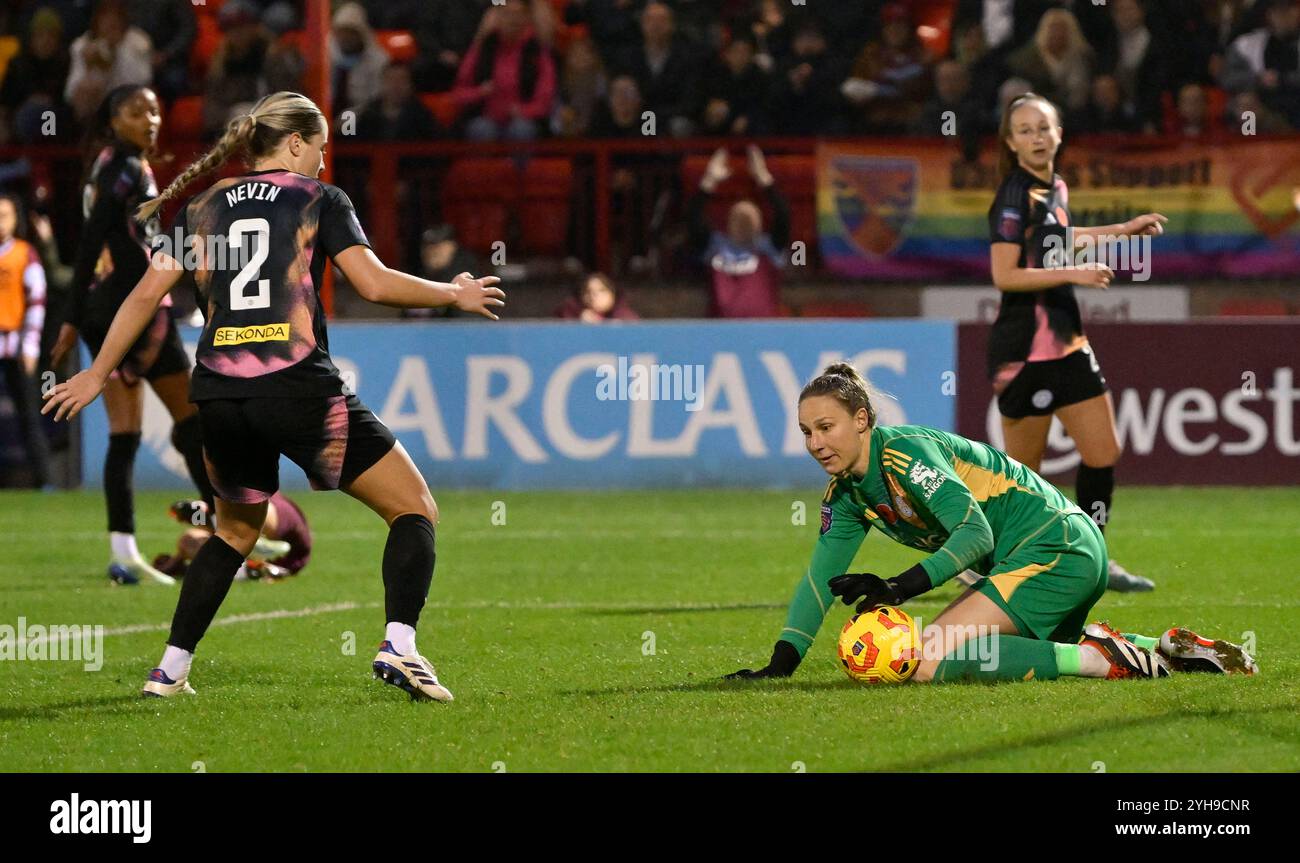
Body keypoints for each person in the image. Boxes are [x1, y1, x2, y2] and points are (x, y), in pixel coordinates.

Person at [43, 91, 506, 703]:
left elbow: (141, 296)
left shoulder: (201, 206)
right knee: (414, 507)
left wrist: (99, 371)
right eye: (319, 148)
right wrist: (454, 294)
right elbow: (372, 283)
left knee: (234, 532)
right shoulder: (319, 199)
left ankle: (169, 670)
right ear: (294, 144)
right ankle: (400, 646)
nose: (321, 160)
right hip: (295, 385)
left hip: (217, 393)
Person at [726, 363, 1258, 682]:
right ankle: (1165, 647)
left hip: (1053, 548)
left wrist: (898, 586)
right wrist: (781, 663)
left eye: (826, 427)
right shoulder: (844, 495)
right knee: (964, 649)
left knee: (930, 659)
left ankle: (1102, 661)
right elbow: (820, 581)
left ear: (862, 420)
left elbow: (976, 532)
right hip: (1044, 556)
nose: (816, 443)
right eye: (805, 432)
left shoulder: (904, 454)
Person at [988, 92, 1165, 592]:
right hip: (1023, 351)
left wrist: (1122, 231)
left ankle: (1093, 561)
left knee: (1103, 451)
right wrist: (1076, 276)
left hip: (1067, 343)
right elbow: (1004, 275)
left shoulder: (1056, 187)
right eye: (1024, 130)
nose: (1036, 137)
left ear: (1059, 133)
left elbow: (1056, 238)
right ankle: (993, 566)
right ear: (1011, 142)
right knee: (1022, 478)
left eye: (1043, 127)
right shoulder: (1012, 196)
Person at [50, 84, 215, 586]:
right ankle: (231, 529)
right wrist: (71, 316)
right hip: (133, 310)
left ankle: (123, 552)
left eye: (156, 111)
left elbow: (102, 243)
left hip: (110, 310)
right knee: (190, 421)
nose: (151, 119)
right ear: (112, 118)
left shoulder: (112, 166)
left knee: (126, 434)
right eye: (137, 111)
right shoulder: (123, 167)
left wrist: (79, 317)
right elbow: (91, 244)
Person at [687, 145, 789, 318]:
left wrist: (763, 178)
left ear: (759, 223)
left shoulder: (769, 247)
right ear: (728, 224)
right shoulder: (715, 245)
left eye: (749, 218)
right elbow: (693, 218)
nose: (744, 221)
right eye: (738, 217)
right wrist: (709, 180)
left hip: (763, 332)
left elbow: (783, 215)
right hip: (720, 334)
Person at [0, 193, 51, 488]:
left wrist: (30, 345)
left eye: (5, 215)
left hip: (16, 344)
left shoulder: (24, 253)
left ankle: (44, 480)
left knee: (29, 416)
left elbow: (37, 300)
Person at [157, 492, 311, 582]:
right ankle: (250, 568)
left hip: (287, 549)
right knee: (189, 539)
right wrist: (175, 562)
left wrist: (196, 513)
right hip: (243, 521)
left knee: (249, 508)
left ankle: (250, 553)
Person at [555, 272, 638, 322]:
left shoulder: (626, 318)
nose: (594, 296)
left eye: (602, 290)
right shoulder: (568, 315)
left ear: (613, 294)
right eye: (587, 292)